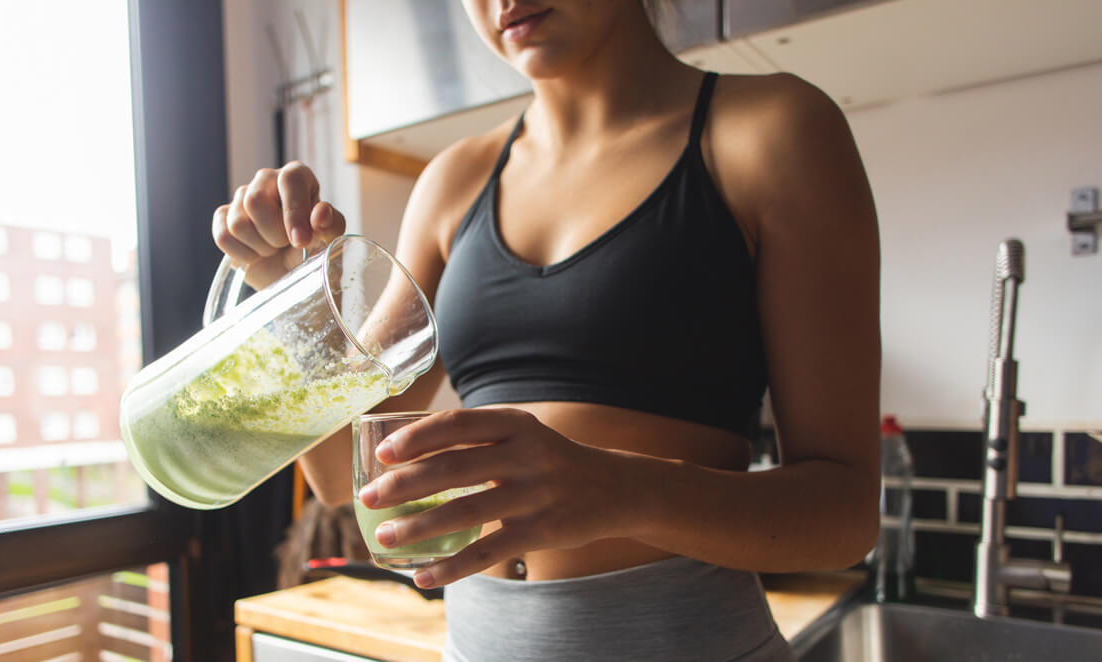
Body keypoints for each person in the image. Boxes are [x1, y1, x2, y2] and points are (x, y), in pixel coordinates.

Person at [213, 1, 881, 660]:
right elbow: (340, 475)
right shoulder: (452, 182)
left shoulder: (771, 130)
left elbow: (843, 518)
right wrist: (285, 296)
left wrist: (624, 491)